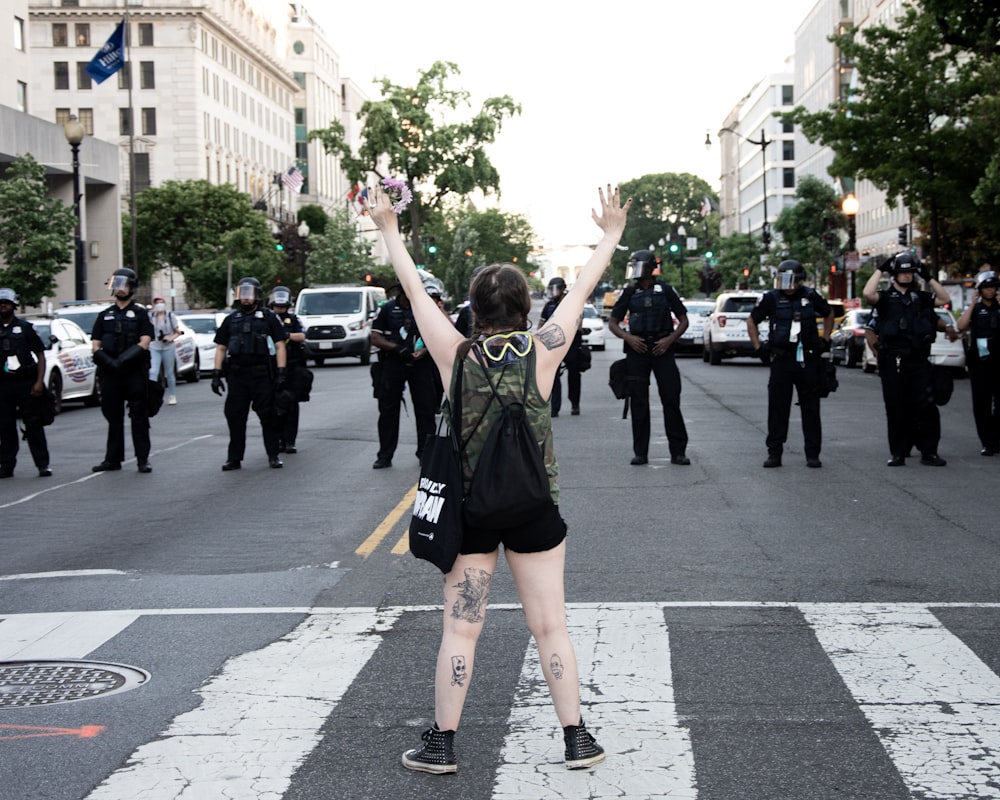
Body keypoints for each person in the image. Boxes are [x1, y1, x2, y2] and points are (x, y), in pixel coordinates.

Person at [366, 184, 630, 774]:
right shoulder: (544, 350)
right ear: (526, 305)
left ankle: (441, 744)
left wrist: (390, 227)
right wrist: (609, 234)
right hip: (535, 509)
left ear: (473, 310)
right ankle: (577, 739)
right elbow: (583, 288)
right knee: (549, 626)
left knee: (462, 630)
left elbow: (411, 288)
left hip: (473, 513)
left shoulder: (454, 353)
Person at [862, 251, 953, 466]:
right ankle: (898, 453)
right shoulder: (885, 298)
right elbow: (868, 293)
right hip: (894, 359)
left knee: (926, 406)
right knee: (896, 408)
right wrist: (881, 269)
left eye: (910, 272)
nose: (907, 276)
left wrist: (927, 275)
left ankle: (929, 451)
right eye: (902, 272)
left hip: (918, 359)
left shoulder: (920, 298)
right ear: (894, 274)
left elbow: (944, 298)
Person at [746, 260, 834, 468]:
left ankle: (813, 453)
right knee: (778, 408)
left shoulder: (810, 296)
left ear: (799, 280)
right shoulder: (771, 298)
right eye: (783, 280)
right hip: (782, 358)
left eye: (791, 280)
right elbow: (752, 321)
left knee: (811, 408)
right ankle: (774, 453)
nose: (787, 285)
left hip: (807, 359)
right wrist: (758, 347)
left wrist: (826, 339)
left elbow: (829, 313)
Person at [607, 249, 691, 465]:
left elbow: (683, 320)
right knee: (639, 402)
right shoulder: (629, 292)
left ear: (649, 267)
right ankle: (640, 452)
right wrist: (628, 338)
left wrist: (669, 340)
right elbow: (613, 323)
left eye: (638, 265)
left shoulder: (665, 291)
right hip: (638, 350)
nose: (635, 270)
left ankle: (678, 452)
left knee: (671, 400)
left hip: (662, 349)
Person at [211, 276, 288, 470]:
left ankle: (273, 455)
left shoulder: (268, 317)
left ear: (257, 295)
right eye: (242, 294)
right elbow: (221, 348)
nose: (245, 298)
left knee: (268, 416)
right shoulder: (231, 320)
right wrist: (216, 373)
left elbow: (280, 346)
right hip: (237, 375)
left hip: (262, 374)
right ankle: (234, 458)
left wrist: (281, 372)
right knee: (235, 417)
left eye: (249, 294)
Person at [91, 268, 155, 473]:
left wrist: (124, 361)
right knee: (113, 416)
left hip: (133, 372)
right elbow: (95, 345)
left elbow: (145, 341)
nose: (119, 289)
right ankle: (112, 459)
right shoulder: (104, 315)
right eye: (116, 285)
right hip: (110, 373)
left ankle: (142, 459)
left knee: (139, 416)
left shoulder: (140, 314)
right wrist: (109, 363)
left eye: (123, 285)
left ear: (132, 288)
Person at [370, 284, 438, 469]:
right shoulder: (387, 309)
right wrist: (395, 348)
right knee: (388, 411)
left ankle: (426, 453)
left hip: (420, 364)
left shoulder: (425, 308)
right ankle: (385, 455)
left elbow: (438, 334)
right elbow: (375, 337)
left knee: (425, 409)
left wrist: (424, 350)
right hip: (394, 362)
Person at [0, 288, 51, 478]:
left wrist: (39, 382)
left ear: (14, 305)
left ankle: (42, 464)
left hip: (25, 383)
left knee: (33, 424)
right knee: (5, 426)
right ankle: (6, 465)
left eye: (6, 303)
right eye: (0, 303)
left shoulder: (26, 328)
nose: (3, 306)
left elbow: (40, 355)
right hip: (3, 385)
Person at [956, 269, 1000, 455]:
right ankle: (987, 442)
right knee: (981, 403)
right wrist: (973, 304)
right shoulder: (976, 308)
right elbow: (961, 325)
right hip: (980, 363)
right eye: (986, 287)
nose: (990, 291)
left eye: (993, 287)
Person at [268, 286, 306, 454]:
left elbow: (302, 335)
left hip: (292, 366)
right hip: (271, 367)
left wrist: (286, 335)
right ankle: (277, 440)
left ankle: (290, 440)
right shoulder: (267, 318)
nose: (280, 309)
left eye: (283, 307)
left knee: (291, 404)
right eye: (278, 307)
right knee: (272, 406)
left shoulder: (292, 319)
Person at [539, 277, 583, 417]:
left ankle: (575, 404)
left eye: (555, 288)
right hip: (553, 346)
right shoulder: (549, 306)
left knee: (574, 376)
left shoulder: (572, 304)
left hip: (571, 345)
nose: (553, 292)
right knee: (553, 376)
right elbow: (541, 325)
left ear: (563, 289)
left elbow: (579, 324)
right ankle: (554, 407)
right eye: (551, 289)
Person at [148, 295, 182, 406]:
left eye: (161, 302)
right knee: (153, 371)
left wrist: (170, 338)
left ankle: (172, 395)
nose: (159, 304)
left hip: (168, 346)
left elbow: (178, 332)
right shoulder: (151, 316)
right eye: (157, 302)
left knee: (169, 372)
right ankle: (152, 395)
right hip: (154, 345)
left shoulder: (169, 316)